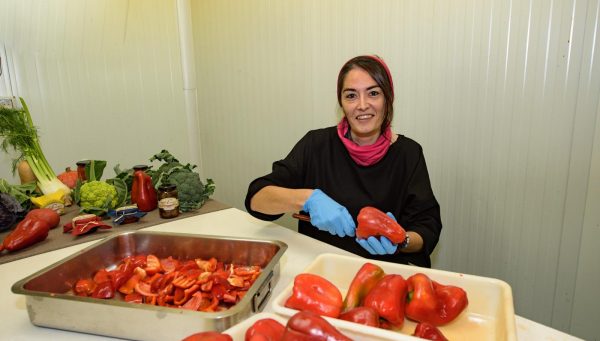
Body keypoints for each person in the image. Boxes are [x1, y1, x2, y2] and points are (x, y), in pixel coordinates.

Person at [245, 55, 442, 267]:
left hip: (382, 275)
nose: (362, 105)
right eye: (351, 96)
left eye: (373, 93)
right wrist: (307, 199)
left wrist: (401, 241)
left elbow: (427, 228)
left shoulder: (408, 153)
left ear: (388, 99)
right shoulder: (316, 145)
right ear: (341, 102)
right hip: (322, 270)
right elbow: (257, 198)